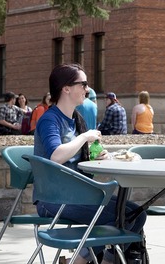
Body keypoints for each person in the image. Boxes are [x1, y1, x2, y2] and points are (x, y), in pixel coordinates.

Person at [33, 63, 146, 264]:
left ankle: (92, 260)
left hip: (79, 194)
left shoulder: (76, 119)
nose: (87, 89)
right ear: (66, 88)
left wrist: (95, 157)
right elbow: (56, 156)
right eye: (83, 84)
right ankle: (81, 261)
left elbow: (74, 158)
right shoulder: (50, 120)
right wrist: (85, 137)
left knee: (136, 214)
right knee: (125, 217)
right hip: (54, 199)